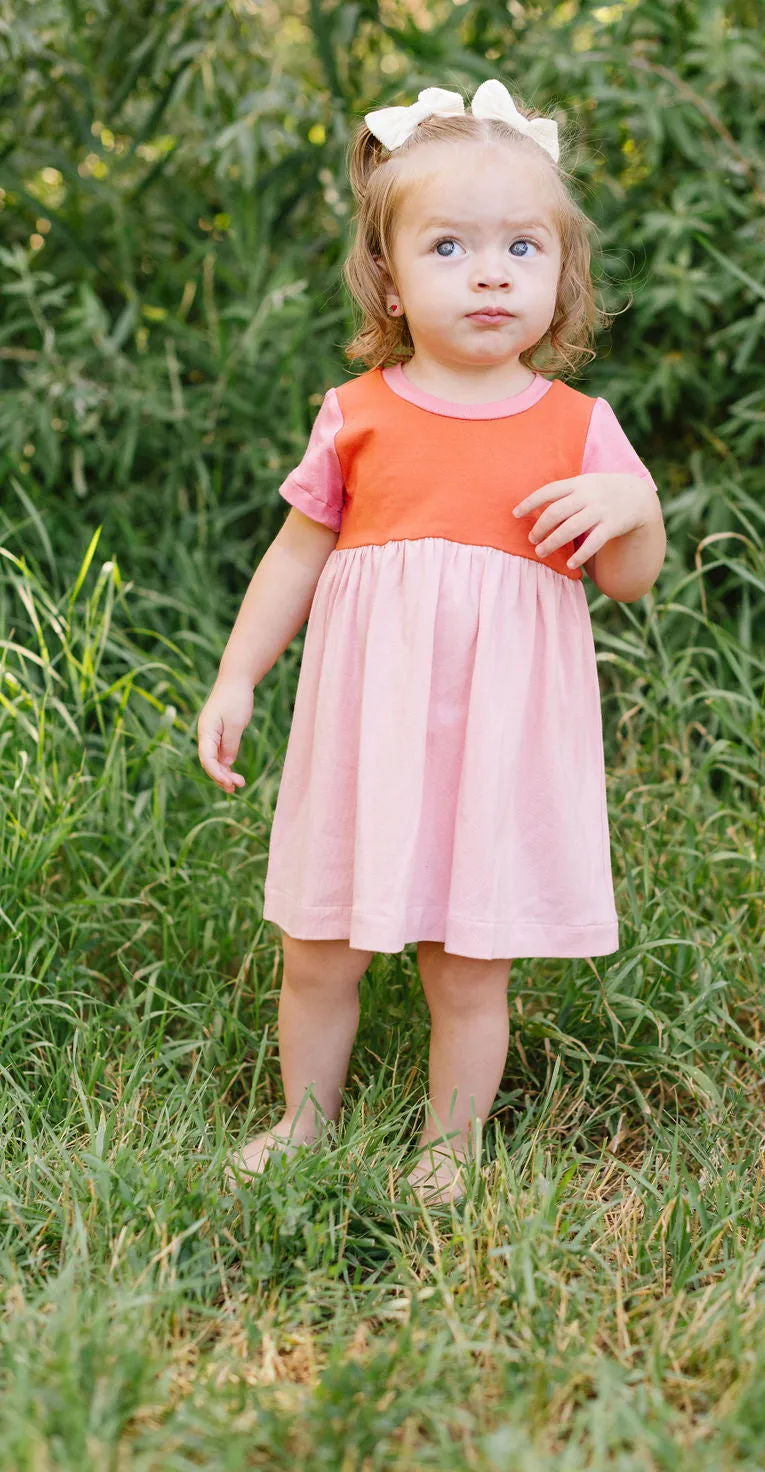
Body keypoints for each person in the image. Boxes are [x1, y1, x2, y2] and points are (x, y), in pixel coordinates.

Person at [196, 78, 666, 1204]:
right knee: (318, 946)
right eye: (450, 246)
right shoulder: (359, 413)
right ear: (391, 280)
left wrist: (634, 509)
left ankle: (447, 1151)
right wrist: (236, 676)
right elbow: (298, 555)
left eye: (522, 246)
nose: (492, 271)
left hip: (492, 743)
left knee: (468, 966)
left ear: (561, 278)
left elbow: (628, 583)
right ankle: (302, 1123)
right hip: (368, 724)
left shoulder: (577, 430)